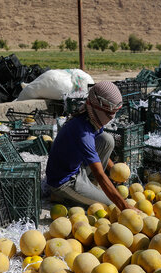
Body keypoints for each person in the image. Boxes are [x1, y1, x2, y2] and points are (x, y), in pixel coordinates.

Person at [46, 81, 133, 211]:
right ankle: (61, 194)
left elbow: (96, 154)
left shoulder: (90, 117)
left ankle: (90, 187)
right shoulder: (82, 132)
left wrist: (115, 171)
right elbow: (99, 174)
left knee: (106, 139)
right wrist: (125, 207)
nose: (111, 118)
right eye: (109, 114)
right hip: (64, 181)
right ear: (99, 108)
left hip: (77, 168)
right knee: (110, 205)